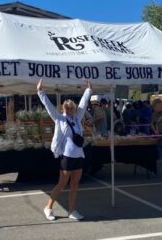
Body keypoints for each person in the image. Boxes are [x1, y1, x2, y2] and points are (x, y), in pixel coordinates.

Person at [37, 79, 92, 221]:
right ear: (63, 109)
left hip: (79, 155)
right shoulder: (59, 119)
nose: (69, 110)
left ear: (74, 108)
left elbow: (84, 104)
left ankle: (72, 210)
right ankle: (48, 207)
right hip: (67, 156)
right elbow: (48, 107)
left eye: (71, 107)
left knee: (74, 184)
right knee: (62, 183)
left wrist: (88, 90)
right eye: (66, 108)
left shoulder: (77, 118)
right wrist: (40, 92)